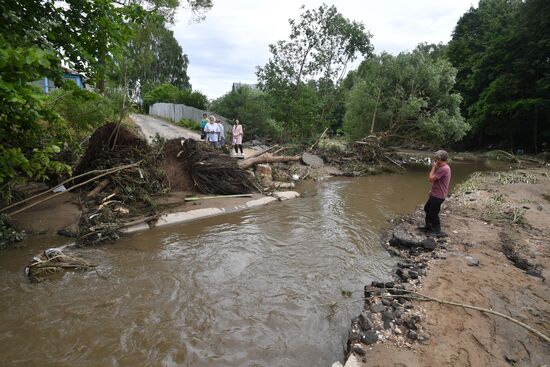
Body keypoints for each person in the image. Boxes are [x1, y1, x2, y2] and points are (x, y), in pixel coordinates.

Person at [419, 150, 451, 235]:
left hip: (439, 196)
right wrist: (432, 191)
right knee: (427, 208)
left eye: (436, 158)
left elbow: (430, 179)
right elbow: (437, 181)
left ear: (439, 159)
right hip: (435, 193)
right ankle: (428, 226)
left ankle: (437, 231)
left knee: (434, 213)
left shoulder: (444, 169)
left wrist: (433, 167)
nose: (434, 159)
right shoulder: (443, 168)